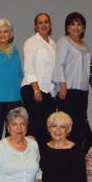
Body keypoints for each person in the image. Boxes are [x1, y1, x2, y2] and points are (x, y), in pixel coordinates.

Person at [53, 12, 92, 151]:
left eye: (79, 24)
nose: (76, 27)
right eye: (72, 24)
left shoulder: (85, 45)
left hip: (82, 91)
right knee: (67, 127)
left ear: (83, 28)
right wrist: (62, 86)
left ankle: (77, 157)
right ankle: (66, 156)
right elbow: (59, 64)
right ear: (67, 27)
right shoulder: (64, 41)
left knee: (80, 127)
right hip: (68, 90)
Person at [21, 13, 57, 144]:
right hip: (33, 89)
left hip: (48, 92)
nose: (44, 25)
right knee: (36, 129)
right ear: (35, 27)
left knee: (48, 130)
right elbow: (28, 68)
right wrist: (36, 90)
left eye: (46, 22)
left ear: (50, 25)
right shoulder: (31, 42)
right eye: (40, 23)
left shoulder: (53, 44)